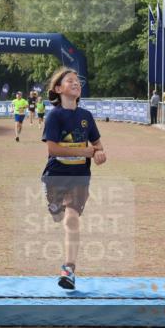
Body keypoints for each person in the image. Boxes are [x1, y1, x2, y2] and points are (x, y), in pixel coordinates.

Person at [41, 68, 106, 290]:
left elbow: (97, 146)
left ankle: (68, 269)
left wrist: (98, 154)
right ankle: (55, 208)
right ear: (58, 89)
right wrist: (86, 151)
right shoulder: (54, 116)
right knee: (58, 216)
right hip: (55, 177)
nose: (76, 84)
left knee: (71, 219)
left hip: (80, 178)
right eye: (70, 81)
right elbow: (52, 148)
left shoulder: (86, 117)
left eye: (78, 81)